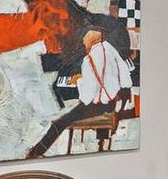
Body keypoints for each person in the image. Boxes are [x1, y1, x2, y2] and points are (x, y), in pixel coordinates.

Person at [27, 29, 134, 157]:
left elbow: (86, 97)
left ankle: (36, 153)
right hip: (111, 101)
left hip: (97, 105)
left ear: (91, 42)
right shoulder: (109, 50)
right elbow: (126, 81)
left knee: (61, 122)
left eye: (85, 41)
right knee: (64, 109)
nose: (83, 43)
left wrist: (79, 81)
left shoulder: (89, 60)